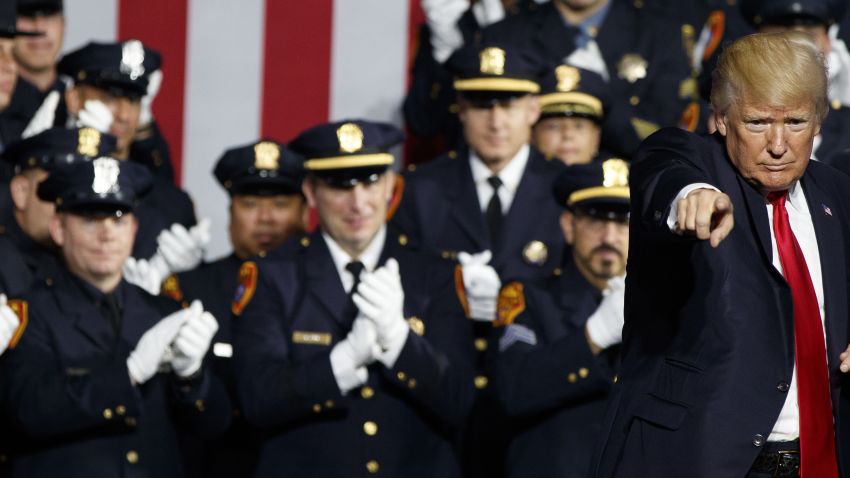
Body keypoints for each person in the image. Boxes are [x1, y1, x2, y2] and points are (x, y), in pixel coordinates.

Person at [591, 32, 850, 478]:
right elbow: (663, 170)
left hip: (823, 459)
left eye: (795, 123)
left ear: (820, 123)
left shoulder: (838, 194)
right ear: (721, 119)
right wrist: (689, 198)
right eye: (756, 123)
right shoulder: (690, 161)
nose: (777, 144)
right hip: (700, 459)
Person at [234, 119, 474, 477]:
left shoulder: (434, 273)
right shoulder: (272, 275)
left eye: (371, 180)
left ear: (391, 186)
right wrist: (342, 362)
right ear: (311, 193)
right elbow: (258, 398)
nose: (358, 202)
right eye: (340, 185)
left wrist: (399, 342)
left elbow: (459, 401)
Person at [393, 41, 564, 478]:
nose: (495, 120)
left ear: (533, 108)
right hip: (441, 399)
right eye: (481, 103)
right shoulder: (419, 190)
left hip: (539, 406)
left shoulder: (566, 191)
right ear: (460, 109)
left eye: (508, 103)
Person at [1, 156, 230, 477]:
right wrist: (129, 374)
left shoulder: (164, 312)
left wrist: (191, 377)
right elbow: (27, 411)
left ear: (134, 229)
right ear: (59, 228)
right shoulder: (27, 314)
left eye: (119, 219)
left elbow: (215, 426)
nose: (107, 234)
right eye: (90, 219)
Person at [167, 139, 308, 478]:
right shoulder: (191, 290)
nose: (266, 218)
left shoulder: (330, 285)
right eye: (249, 203)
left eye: (280, 202)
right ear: (230, 212)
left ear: (305, 210)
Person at [494, 158, 629, 478]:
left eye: (623, 221)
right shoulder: (527, 297)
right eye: (596, 220)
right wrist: (592, 336)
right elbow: (512, 391)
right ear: (569, 226)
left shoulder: (665, 306)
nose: (609, 236)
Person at [480, 0, 692, 157]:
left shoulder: (661, 33)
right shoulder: (505, 36)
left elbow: (671, 139)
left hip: (630, 195)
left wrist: (594, 89)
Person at [0, 127, 116, 296]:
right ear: (21, 191)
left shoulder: (90, 258)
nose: (73, 203)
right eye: (57, 189)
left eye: (84, 192)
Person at [739, 0, 850, 165]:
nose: (797, 48)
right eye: (781, 36)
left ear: (827, 43)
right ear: (756, 39)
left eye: (809, 36)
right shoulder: (720, 121)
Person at [532, 64, 616, 164]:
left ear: (596, 137)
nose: (568, 135)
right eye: (554, 126)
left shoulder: (623, 178)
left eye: (579, 126)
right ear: (532, 135)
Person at [13, 0, 64, 94]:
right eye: (27, 15)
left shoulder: (81, 103)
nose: (39, 28)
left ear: (63, 25)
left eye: (49, 16)